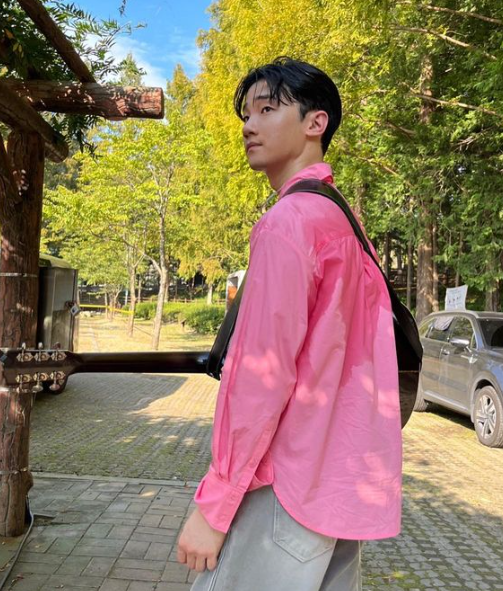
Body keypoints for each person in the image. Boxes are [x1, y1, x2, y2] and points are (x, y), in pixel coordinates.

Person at [176, 56, 402, 591]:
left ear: (315, 122)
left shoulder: (289, 223)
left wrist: (216, 503)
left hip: (284, 484)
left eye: (267, 109)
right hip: (339, 483)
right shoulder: (345, 222)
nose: (249, 126)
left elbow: (262, 375)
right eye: (245, 115)